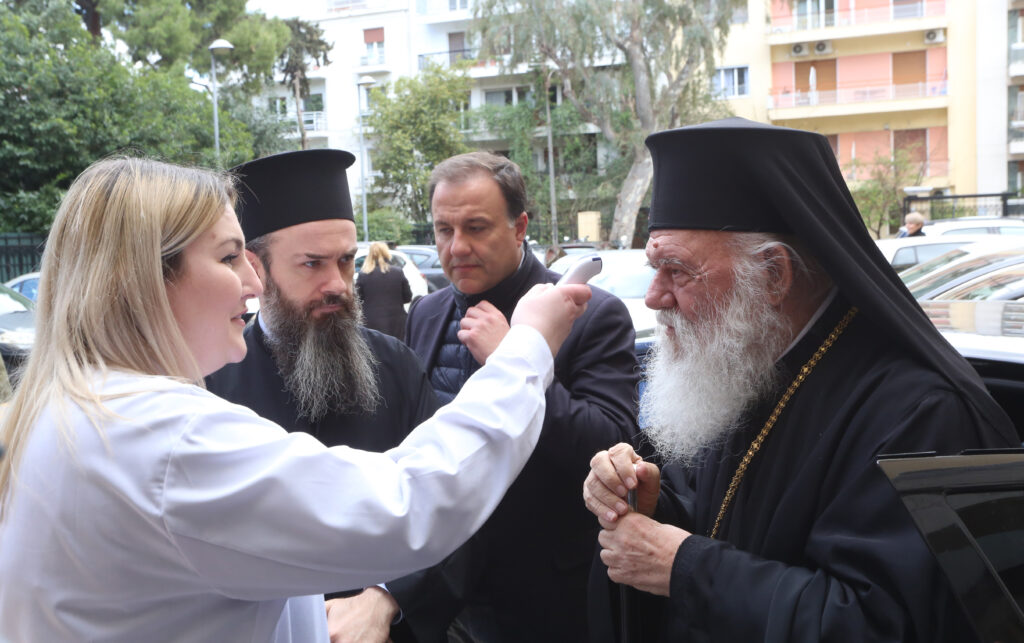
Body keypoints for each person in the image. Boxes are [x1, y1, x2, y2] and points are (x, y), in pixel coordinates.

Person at [0, 156, 592, 641]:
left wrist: (384, 601)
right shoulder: (165, 437)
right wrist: (527, 347)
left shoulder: (80, 409)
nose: (251, 283)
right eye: (229, 257)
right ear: (148, 279)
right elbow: (409, 503)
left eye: (345, 261)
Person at [582, 118, 1018, 642]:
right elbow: (730, 517)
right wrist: (657, 505)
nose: (653, 297)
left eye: (676, 270)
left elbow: (883, 625)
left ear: (773, 276)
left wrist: (684, 567)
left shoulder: (921, 414)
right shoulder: (748, 361)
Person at [377, 151, 638, 642]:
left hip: (543, 599)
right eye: (443, 230)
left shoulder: (589, 312)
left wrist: (517, 360)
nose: (457, 247)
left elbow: (610, 444)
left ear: (519, 228)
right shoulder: (428, 313)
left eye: (476, 228)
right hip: (436, 591)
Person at [204, 149, 439, 630]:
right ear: (256, 267)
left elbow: (448, 502)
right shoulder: (211, 380)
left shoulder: (396, 366)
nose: (338, 285)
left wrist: (384, 599)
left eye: (347, 261)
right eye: (312, 264)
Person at [356, 241, 412, 340]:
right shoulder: (397, 272)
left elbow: (358, 299)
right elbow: (408, 297)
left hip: (371, 323)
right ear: (386, 253)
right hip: (396, 323)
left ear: (370, 255)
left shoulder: (363, 275)